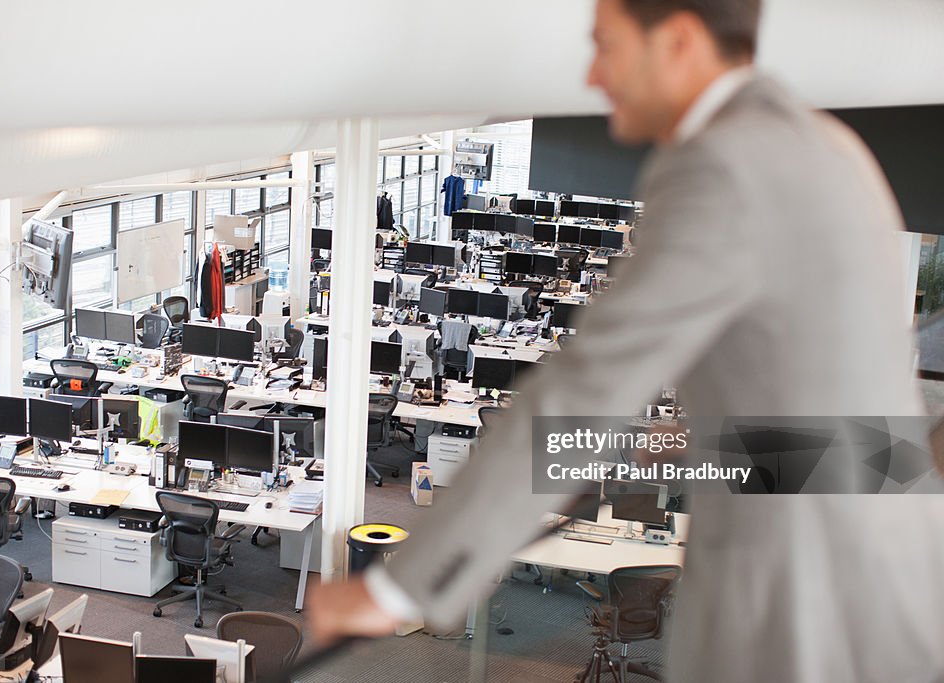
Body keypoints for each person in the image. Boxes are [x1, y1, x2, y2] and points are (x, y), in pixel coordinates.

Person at [310, 1, 944, 680]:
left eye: (606, 46)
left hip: (799, 604)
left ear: (677, 40)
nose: (592, 74)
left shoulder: (720, 165)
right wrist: (665, 445)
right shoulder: (828, 147)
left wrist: (396, 587)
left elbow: (580, 392)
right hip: (885, 579)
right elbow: (831, 411)